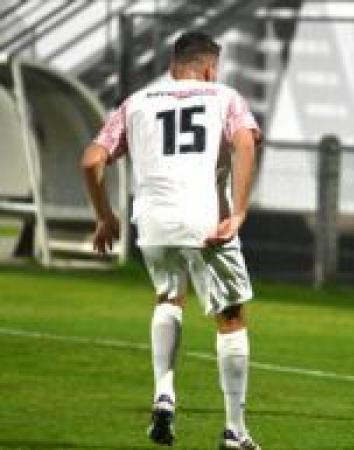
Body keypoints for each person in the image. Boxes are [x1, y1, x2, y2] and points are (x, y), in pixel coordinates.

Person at [81, 32, 261, 450]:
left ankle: (164, 393)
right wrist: (239, 211)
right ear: (210, 68)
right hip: (207, 222)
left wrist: (105, 216)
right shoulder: (224, 96)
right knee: (230, 319)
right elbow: (245, 141)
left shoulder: (137, 102)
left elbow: (91, 158)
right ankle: (235, 430)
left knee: (168, 298)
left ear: (173, 64)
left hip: (154, 224)